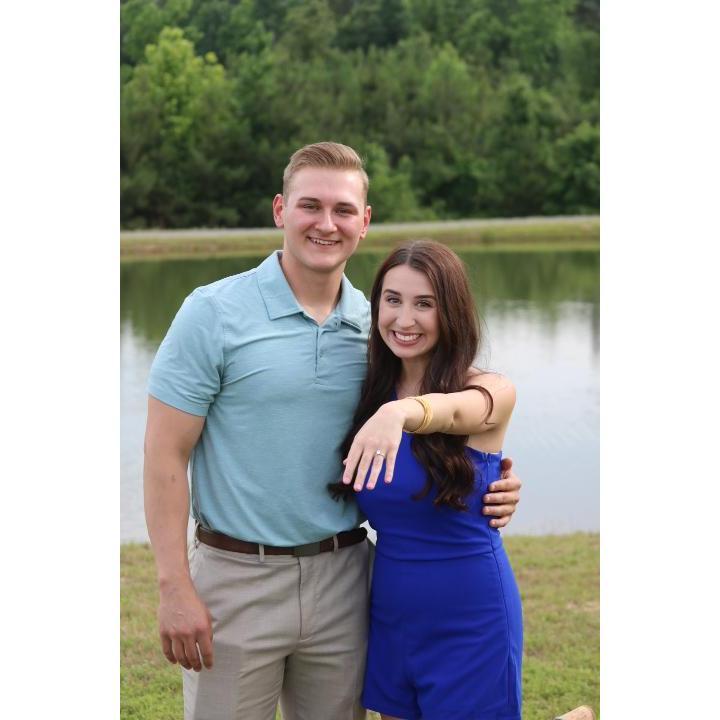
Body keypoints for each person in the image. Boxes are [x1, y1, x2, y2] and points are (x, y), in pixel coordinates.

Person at [143, 142, 522, 720]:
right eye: (309, 206)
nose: (327, 223)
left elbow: (467, 406)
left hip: (349, 581)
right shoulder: (212, 313)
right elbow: (164, 455)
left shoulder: (377, 332)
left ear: (364, 222)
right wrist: (173, 584)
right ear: (279, 210)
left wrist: (489, 481)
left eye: (343, 209)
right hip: (236, 580)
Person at [336, 240, 523, 720]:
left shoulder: (490, 389)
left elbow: (459, 412)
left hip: (471, 612)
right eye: (393, 300)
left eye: (425, 304)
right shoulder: (369, 388)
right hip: (392, 611)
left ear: (453, 312)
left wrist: (401, 413)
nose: (404, 319)